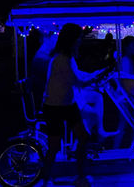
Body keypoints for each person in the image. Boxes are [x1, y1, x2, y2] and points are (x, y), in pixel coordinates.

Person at [40, 23, 110, 187]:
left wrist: (95, 74)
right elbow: (79, 81)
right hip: (55, 106)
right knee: (54, 146)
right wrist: (97, 76)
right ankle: (46, 180)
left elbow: (77, 76)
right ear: (71, 40)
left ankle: (80, 177)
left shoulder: (67, 57)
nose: (80, 41)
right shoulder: (61, 59)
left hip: (67, 103)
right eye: (78, 38)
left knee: (83, 137)